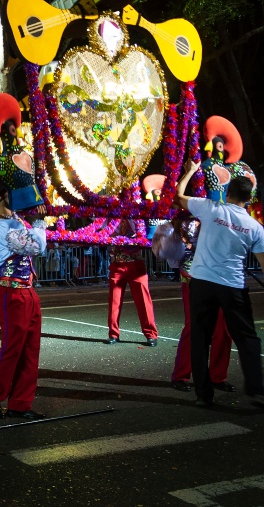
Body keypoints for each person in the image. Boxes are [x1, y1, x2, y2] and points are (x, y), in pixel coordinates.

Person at [174, 159, 264, 408]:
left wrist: (191, 171)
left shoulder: (211, 208)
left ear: (227, 192)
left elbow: (178, 195)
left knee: (201, 338)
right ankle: (256, 390)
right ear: (248, 198)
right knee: (247, 338)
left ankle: (204, 395)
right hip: (233, 285)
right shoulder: (255, 227)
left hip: (202, 282)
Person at [0, 186, 47, 419]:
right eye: (12, 192)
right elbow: (36, 246)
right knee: (11, 348)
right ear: (1, 196)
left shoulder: (16, 219)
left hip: (27, 290)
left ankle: (21, 403)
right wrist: (39, 223)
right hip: (12, 292)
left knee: (31, 350)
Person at [167, 216, 233, 392]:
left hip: (219, 279)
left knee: (223, 328)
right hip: (192, 280)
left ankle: (217, 376)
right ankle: (181, 375)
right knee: (193, 327)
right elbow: (170, 253)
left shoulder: (217, 214)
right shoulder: (180, 219)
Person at [104, 218, 158, 346]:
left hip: (136, 264)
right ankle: (113, 334)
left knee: (144, 300)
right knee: (114, 301)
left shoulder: (138, 217)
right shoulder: (110, 219)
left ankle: (151, 334)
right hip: (117, 264)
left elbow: (148, 233)